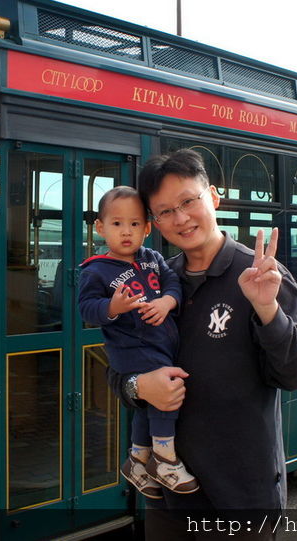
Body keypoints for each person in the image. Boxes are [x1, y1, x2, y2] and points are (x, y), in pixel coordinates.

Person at [109, 149, 297, 539]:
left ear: (213, 196)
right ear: (155, 223)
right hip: (169, 501)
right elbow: (118, 369)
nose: (181, 218)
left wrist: (268, 310)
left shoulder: (260, 275)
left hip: (241, 499)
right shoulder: (154, 281)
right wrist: (139, 387)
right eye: (165, 211)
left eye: (189, 201)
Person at [79, 186, 199, 499]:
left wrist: (167, 303)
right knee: (164, 397)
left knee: (147, 405)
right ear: (100, 228)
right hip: (131, 351)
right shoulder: (95, 270)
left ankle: (136, 460)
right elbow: (86, 308)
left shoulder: (153, 259)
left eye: (134, 224)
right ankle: (165, 459)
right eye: (117, 224)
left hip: (160, 346)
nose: (126, 232)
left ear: (146, 229)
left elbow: (173, 283)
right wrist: (112, 308)